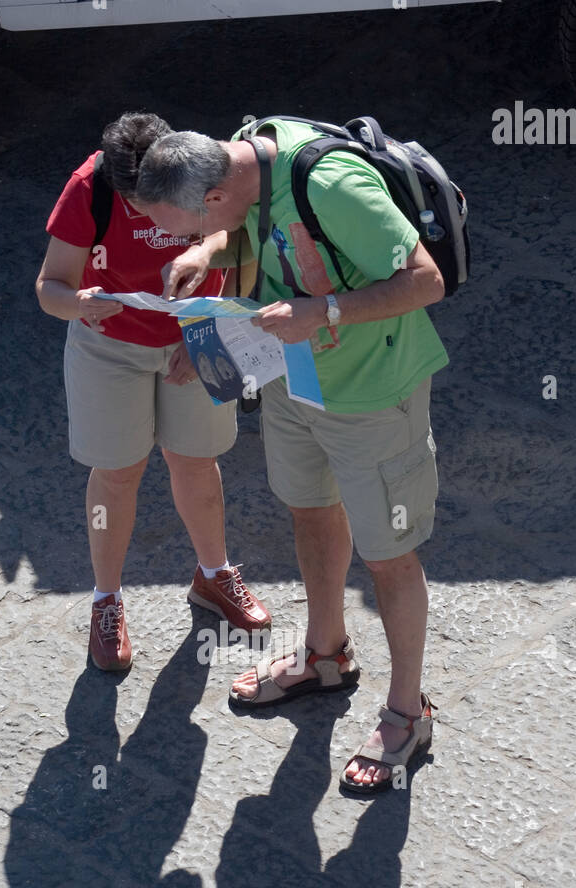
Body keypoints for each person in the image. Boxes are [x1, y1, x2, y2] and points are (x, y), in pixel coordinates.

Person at [129, 118, 449, 793]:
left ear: (214, 192)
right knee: (309, 510)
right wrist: (206, 257)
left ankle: (407, 711)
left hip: (372, 393)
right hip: (294, 377)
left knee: (388, 555)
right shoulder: (244, 153)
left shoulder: (332, 188)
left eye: (185, 228)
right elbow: (237, 228)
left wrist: (324, 312)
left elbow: (426, 281)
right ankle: (326, 657)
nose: (186, 238)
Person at [35, 112, 270, 672]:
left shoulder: (202, 166)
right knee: (117, 472)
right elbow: (50, 287)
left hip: (202, 331)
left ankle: (215, 576)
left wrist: (214, 320)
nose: (153, 213)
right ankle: (106, 600)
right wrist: (80, 304)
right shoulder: (87, 189)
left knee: (199, 460)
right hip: (109, 345)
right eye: (138, 204)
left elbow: (239, 241)